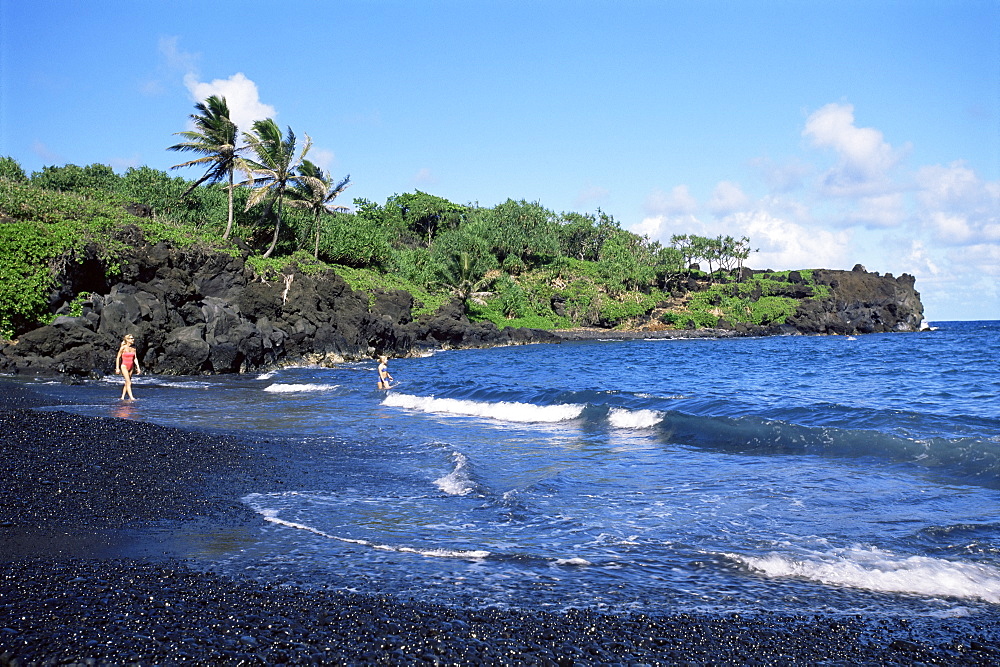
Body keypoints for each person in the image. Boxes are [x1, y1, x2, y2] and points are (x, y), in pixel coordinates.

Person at [115, 334, 141, 400]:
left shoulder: (134, 348)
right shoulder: (123, 348)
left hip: (131, 366)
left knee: (127, 382)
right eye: (131, 338)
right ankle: (131, 397)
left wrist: (138, 367)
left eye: (133, 338)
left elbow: (135, 358)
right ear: (127, 340)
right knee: (129, 382)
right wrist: (117, 368)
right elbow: (118, 357)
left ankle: (122, 397)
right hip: (124, 366)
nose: (133, 340)